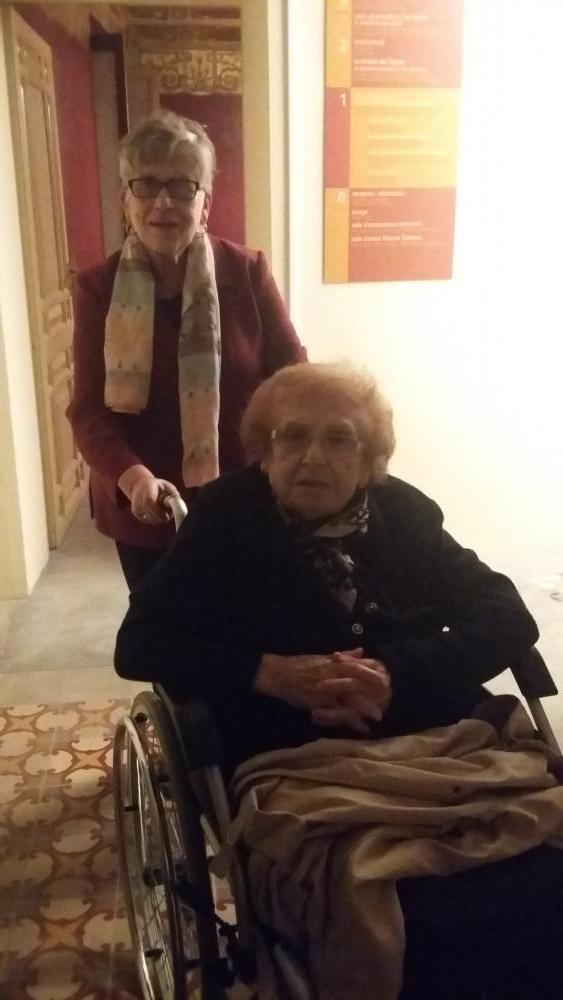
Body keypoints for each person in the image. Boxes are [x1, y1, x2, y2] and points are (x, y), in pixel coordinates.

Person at [114, 362, 563, 1000]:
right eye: (293, 436)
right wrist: (266, 672)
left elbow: (506, 614)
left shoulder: (404, 513)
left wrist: (395, 674)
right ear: (265, 450)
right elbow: (139, 643)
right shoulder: (221, 521)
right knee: (383, 907)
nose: (313, 458)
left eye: (339, 439)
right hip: (298, 759)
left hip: (442, 742)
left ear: (369, 457)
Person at [66, 110, 305, 589]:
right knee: (165, 626)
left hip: (241, 497)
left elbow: (293, 378)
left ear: (206, 202)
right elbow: (90, 411)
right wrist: (133, 478)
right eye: (146, 184)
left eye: (182, 186)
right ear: (126, 201)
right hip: (145, 506)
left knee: (246, 618)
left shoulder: (248, 272)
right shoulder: (97, 288)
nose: (163, 202)